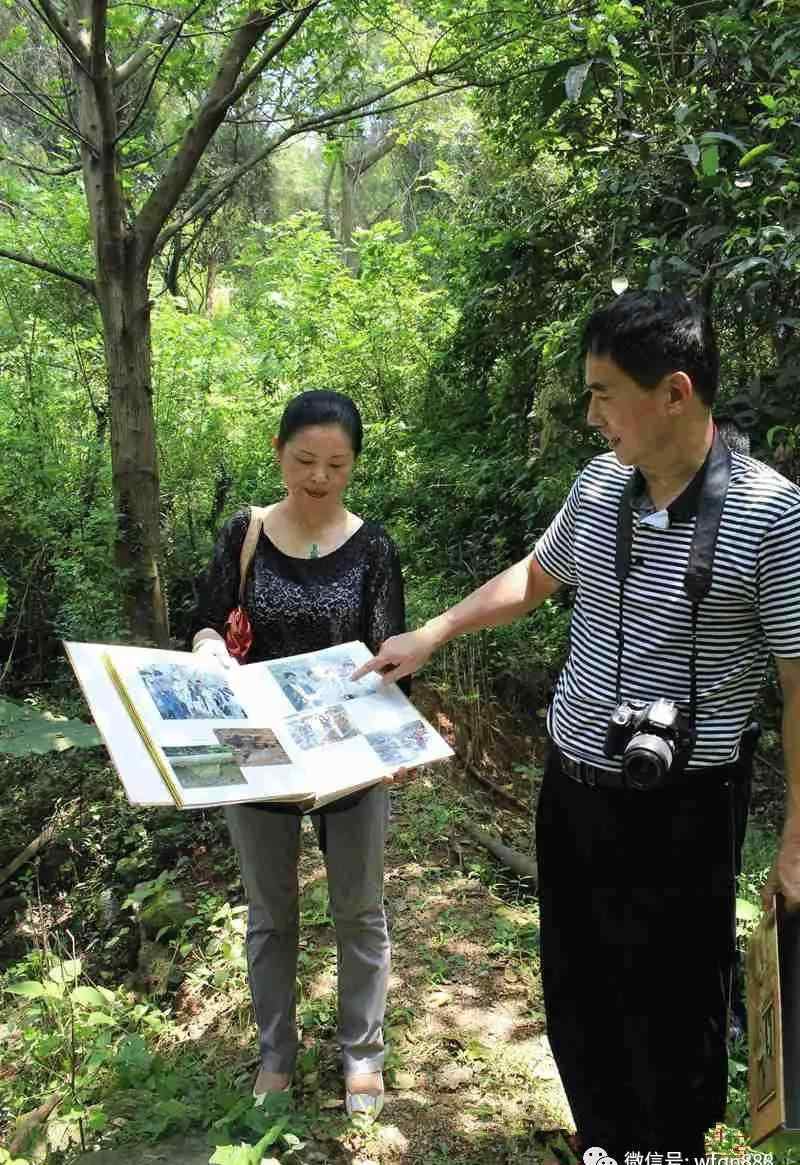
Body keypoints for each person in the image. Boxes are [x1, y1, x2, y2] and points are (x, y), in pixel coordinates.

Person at [353, 292, 800, 1157]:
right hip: (576, 785)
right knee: (580, 980)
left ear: (674, 392)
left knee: (676, 998)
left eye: (603, 393)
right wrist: (434, 631)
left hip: (691, 803)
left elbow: (797, 677)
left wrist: (795, 839)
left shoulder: (772, 515)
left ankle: (666, 1148)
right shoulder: (601, 486)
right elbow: (536, 576)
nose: (592, 414)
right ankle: (604, 1137)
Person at [190, 389, 409, 1118]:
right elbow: (204, 621)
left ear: (354, 466)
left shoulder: (373, 547)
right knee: (270, 914)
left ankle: (363, 1057)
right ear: (280, 452)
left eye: (336, 464)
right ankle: (275, 1056)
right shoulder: (244, 533)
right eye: (304, 459)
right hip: (256, 750)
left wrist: (392, 721)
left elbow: (390, 653)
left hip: (346, 754)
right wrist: (210, 647)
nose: (318, 477)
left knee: (359, 909)